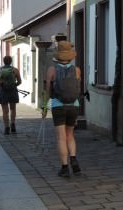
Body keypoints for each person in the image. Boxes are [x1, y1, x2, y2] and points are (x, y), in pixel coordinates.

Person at [42, 41, 82, 177]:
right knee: (70, 135)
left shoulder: (51, 70)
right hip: (74, 106)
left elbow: (48, 91)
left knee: (61, 137)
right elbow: (78, 88)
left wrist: (45, 107)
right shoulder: (77, 70)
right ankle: (74, 159)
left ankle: (65, 167)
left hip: (58, 106)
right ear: (70, 56)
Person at [0, 56, 22, 135]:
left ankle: (6, 127)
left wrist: (2, 84)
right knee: (13, 109)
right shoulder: (15, 70)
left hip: (3, 91)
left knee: (5, 111)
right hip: (13, 91)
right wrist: (14, 85)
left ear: (3, 61)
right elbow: (20, 81)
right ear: (11, 61)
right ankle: (13, 124)